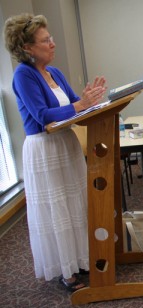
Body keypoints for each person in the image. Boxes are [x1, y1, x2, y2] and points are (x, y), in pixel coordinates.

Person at [3, 14, 107, 292]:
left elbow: (75, 104)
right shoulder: (23, 74)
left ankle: (81, 259)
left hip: (66, 144)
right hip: (45, 149)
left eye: (50, 38)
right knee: (57, 208)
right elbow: (42, 115)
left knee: (75, 203)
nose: (52, 43)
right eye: (45, 40)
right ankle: (66, 273)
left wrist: (89, 101)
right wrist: (79, 105)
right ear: (27, 47)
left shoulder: (56, 72)